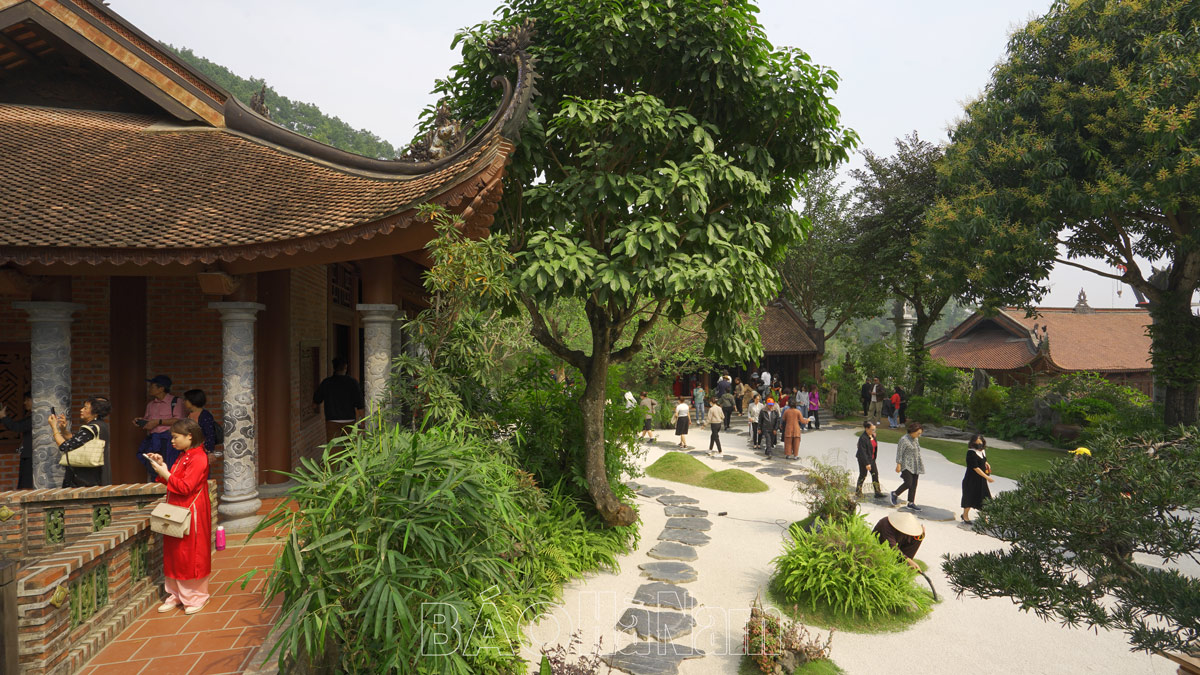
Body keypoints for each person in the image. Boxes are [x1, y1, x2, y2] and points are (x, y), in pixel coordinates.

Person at [146, 418, 212, 615]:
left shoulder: (199, 457)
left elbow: (185, 487)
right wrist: (162, 467)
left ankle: (196, 596)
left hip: (192, 510)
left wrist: (164, 473)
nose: (172, 441)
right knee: (174, 553)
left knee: (191, 554)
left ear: (189, 436)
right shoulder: (184, 456)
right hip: (178, 508)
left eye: (175, 437)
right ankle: (176, 594)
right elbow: (174, 481)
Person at [49, 396, 110, 487]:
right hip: (96, 476)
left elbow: (65, 446)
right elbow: (77, 440)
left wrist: (54, 427)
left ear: (95, 413)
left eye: (85, 408)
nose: (81, 410)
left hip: (84, 479)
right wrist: (63, 430)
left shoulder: (91, 428)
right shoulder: (101, 425)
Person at [136, 375, 186, 475]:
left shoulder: (175, 402)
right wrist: (141, 421)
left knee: (170, 466)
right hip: (153, 440)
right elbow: (148, 420)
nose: (149, 389)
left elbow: (179, 420)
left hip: (169, 440)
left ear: (161, 388)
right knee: (153, 466)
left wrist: (158, 422)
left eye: (152, 386)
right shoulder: (151, 404)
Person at [313, 357, 365, 442]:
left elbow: (316, 400)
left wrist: (313, 409)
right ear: (345, 367)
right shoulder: (352, 383)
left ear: (334, 367)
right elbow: (360, 404)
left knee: (334, 447)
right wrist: (363, 420)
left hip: (332, 421)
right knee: (349, 446)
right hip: (349, 421)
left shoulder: (326, 383)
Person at [1, 391, 33, 489]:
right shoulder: (30, 417)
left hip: (33, 457)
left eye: (27, 400)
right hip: (28, 455)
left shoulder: (37, 418)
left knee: (27, 486)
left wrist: (4, 417)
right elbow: (17, 425)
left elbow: (17, 427)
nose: (25, 403)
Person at [890, 421, 926, 510]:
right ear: (913, 431)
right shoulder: (903, 440)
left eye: (920, 433)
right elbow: (899, 453)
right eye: (918, 433)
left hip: (915, 464)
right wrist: (898, 464)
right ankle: (895, 494)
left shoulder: (916, 439)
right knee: (908, 483)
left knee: (914, 484)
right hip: (906, 464)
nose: (919, 435)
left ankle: (911, 502)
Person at [961, 434, 995, 523]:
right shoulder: (971, 453)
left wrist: (987, 463)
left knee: (985, 498)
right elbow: (975, 468)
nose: (979, 445)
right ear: (972, 443)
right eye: (976, 443)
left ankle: (984, 518)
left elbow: (983, 460)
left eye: (980, 443)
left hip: (981, 480)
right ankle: (965, 515)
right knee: (969, 497)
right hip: (971, 480)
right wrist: (987, 477)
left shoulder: (982, 451)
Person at [183, 389, 218, 454]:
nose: (184, 402)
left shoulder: (205, 415)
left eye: (186, 399)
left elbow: (209, 435)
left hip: (201, 451)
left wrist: (209, 451)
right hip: (190, 450)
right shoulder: (189, 415)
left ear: (192, 400)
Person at [856, 421, 884, 497]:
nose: (873, 431)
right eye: (872, 429)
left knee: (875, 474)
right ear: (866, 429)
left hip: (872, 459)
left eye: (874, 429)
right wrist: (867, 463)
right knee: (863, 475)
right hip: (863, 459)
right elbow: (863, 452)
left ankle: (877, 492)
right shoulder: (863, 438)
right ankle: (858, 492)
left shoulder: (873, 436)